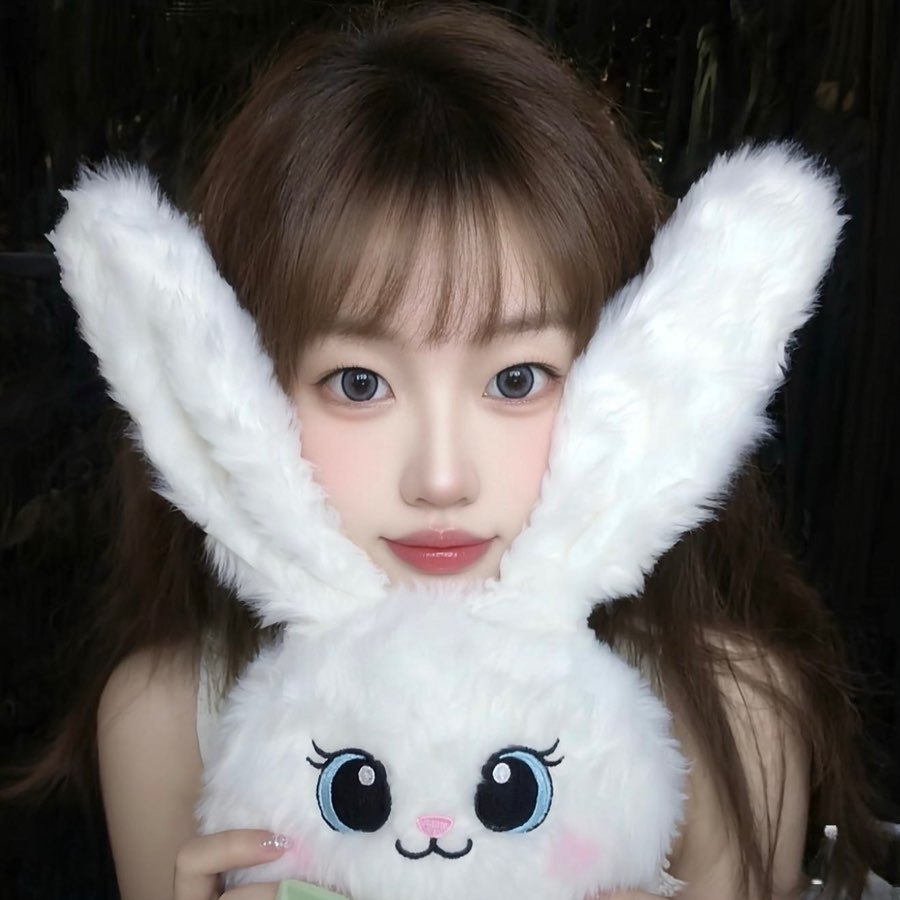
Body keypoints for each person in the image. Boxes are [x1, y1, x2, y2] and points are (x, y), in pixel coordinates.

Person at [8, 3, 884, 899]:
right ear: (233, 396)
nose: (440, 478)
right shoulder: (165, 722)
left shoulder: (731, 714)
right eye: (358, 383)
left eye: (516, 380)